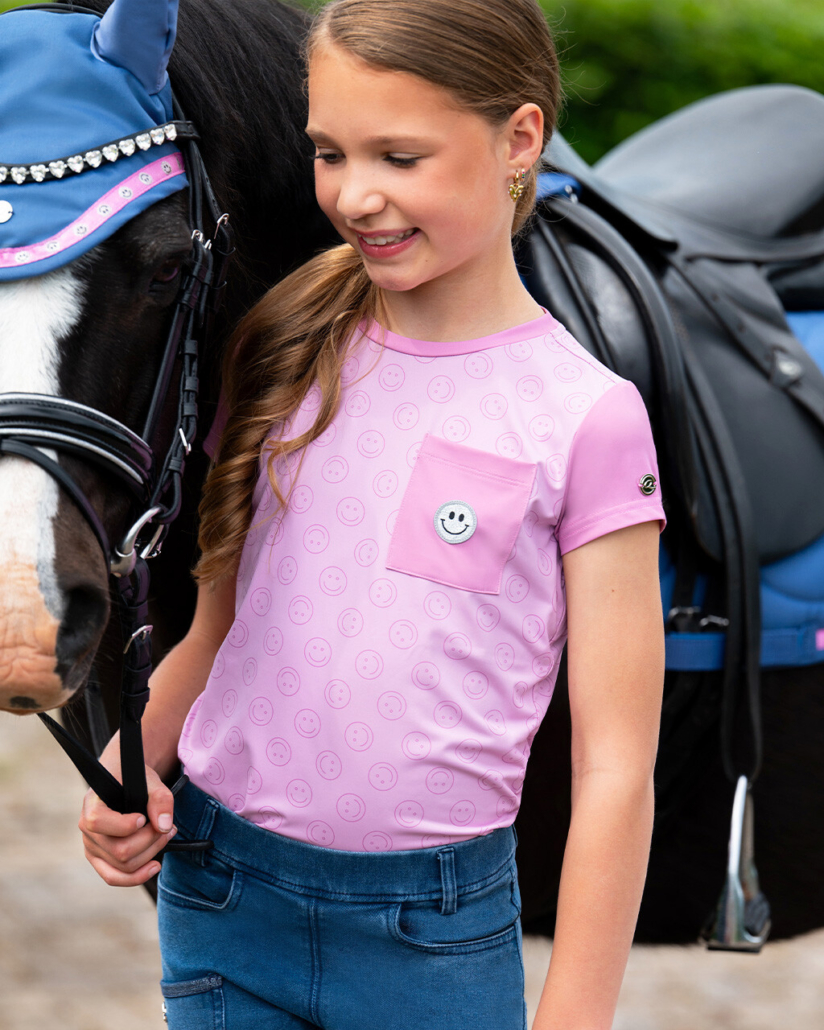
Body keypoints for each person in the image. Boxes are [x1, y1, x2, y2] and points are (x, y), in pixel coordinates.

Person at [79, 1, 666, 1026]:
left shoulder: (585, 419)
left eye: (399, 156)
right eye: (329, 153)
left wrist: (575, 1013)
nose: (354, 195)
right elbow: (220, 631)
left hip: (429, 940)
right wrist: (127, 766)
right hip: (222, 900)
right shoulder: (281, 352)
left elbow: (614, 766)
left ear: (518, 140)